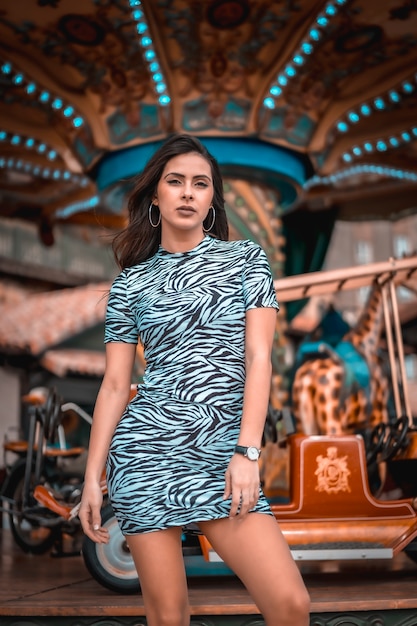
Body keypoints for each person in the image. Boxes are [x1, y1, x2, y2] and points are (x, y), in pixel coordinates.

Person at [79, 134, 310, 626]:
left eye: (200, 184)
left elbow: (259, 359)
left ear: (211, 200)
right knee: (169, 618)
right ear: (155, 197)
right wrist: (91, 479)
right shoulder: (129, 284)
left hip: (224, 455)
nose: (187, 192)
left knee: (290, 605)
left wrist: (249, 452)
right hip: (144, 456)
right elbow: (116, 387)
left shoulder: (245, 260)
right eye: (175, 181)